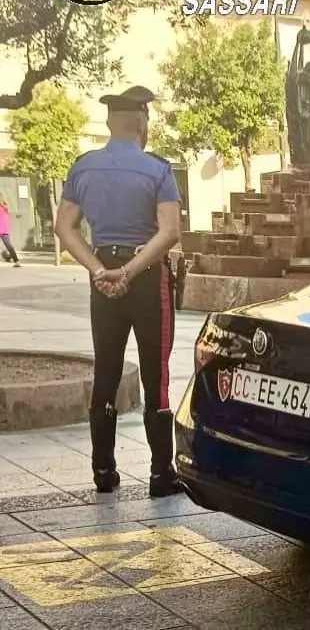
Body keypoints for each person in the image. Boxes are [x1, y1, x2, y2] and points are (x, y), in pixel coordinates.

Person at [54, 86, 184, 498]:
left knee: (106, 370)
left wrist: (100, 270)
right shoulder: (157, 171)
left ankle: (103, 471)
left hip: (103, 278)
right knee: (155, 374)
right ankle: (162, 473)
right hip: (146, 278)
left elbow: (64, 227)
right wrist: (129, 270)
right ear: (142, 123)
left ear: (110, 122)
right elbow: (170, 232)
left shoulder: (84, 168)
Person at [0, 195, 21, 267]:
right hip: (4, 229)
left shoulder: (3, 207)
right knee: (8, 245)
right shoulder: (4, 207)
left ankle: (16, 260)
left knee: (8, 245)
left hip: (2, 229)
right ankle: (9, 257)